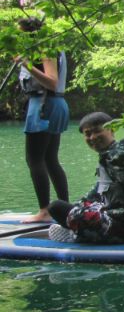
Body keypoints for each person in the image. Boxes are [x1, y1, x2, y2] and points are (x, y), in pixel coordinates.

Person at [46, 112, 124, 244]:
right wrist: (79, 205)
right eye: (88, 134)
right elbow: (98, 191)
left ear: (112, 129)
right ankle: (79, 231)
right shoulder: (113, 154)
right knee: (74, 207)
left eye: (97, 131)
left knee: (56, 207)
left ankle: (78, 236)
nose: (93, 137)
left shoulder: (117, 157)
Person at [16, 16, 70, 222]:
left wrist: (27, 65)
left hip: (44, 106)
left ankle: (45, 211)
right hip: (52, 105)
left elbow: (52, 82)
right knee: (49, 159)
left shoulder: (44, 49)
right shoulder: (49, 47)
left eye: (21, 34)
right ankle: (65, 208)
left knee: (35, 159)